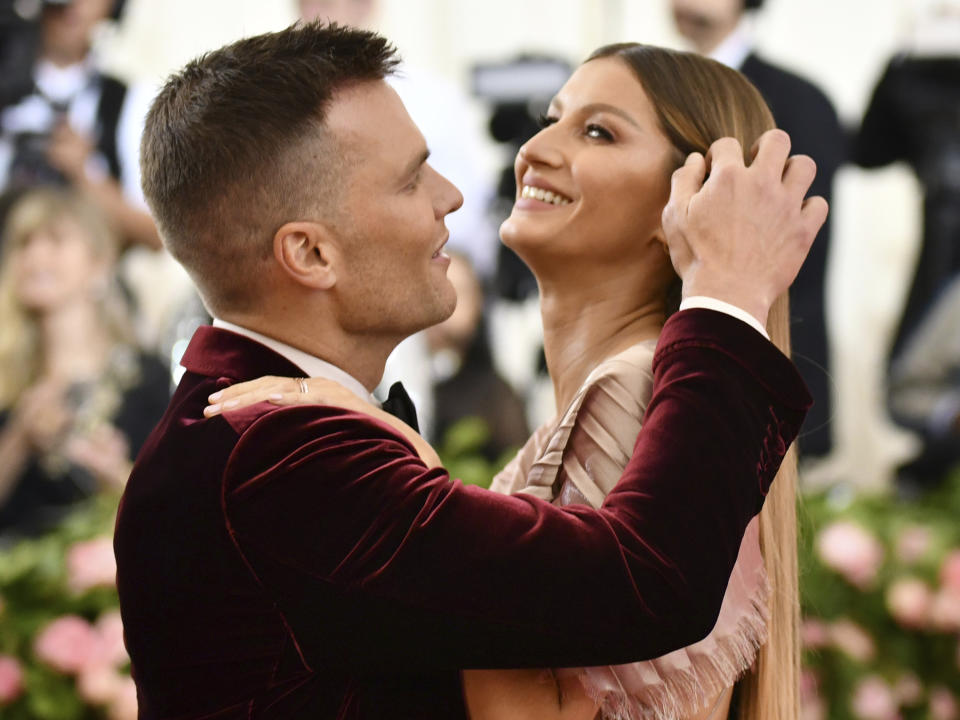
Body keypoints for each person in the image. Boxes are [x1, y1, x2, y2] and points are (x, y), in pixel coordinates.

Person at [114, 22, 824, 719]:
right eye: (408, 180)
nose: (452, 194)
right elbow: (640, 584)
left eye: (598, 130)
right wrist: (728, 298)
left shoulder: (265, 432)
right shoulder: (283, 451)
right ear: (310, 254)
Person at [670, 0, 844, 460]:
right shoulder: (659, 94)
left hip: (769, 354)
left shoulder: (798, 99)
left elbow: (805, 243)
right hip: (673, 351)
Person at [0, 188, 169, 539]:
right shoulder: (6, 380)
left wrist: (113, 473)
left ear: (99, 262)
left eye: (55, 240)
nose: (35, 255)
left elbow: (176, 511)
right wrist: (20, 438)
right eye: (24, 243)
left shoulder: (145, 377)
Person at [0, 0, 159, 251]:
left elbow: (158, 234)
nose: (73, 5)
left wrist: (84, 174)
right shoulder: (7, 84)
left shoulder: (127, 102)